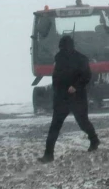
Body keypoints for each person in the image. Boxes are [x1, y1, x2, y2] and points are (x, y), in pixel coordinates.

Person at [40, 34, 100, 162]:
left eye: (64, 47)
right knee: (54, 127)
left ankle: (94, 140)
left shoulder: (81, 59)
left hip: (77, 97)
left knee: (83, 123)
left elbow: (87, 76)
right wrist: (56, 94)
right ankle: (48, 154)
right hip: (61, 98)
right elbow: (55, 78)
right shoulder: (58, 58)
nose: (63, 49)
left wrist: (75, 86)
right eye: (62, 47)